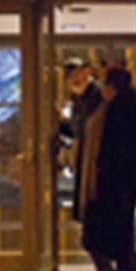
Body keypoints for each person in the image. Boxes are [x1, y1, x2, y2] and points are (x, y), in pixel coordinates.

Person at [79, 64, 136, 271]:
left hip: (114, 180)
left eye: (105, 83)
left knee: (117, 223)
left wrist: (111, 168)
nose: (101, 88)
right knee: (110, 223)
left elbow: (133, 144)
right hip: (107, 178)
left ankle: (124, 270)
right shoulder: (108, 107)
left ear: (113, 86)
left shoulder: (123, 109)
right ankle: (119, 267)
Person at [58, 57, 102, 222]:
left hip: (95, 158)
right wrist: (61, 123)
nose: (73, 80)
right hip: (85, 155)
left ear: (87, 72)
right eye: (70, 77)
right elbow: (76, 130)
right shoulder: (78, 97)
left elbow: (82, 128)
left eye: (76, 74)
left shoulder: (95, 96)